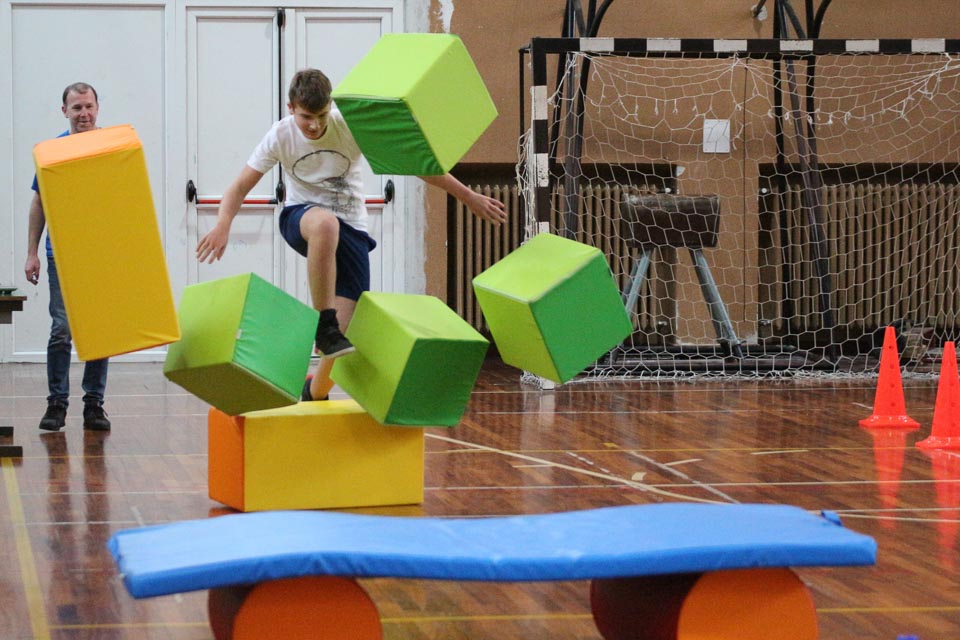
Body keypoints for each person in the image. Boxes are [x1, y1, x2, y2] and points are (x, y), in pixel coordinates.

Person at [197, 68, 507, 401]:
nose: (314, 125)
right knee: (325, 226)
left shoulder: (349, 127)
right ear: (291, 108)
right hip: (301, 218)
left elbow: (414, 164)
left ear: (330, 106)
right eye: (306, 117)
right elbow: (239, 187)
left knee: (343, 339)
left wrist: (468, 196)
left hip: (353, 230)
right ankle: (324, 323)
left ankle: (314, 393)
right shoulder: (280, 135)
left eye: (321, 115)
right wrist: (223, 224)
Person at [24, 82, 111, 432]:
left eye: (88, 106)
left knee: (100, 330)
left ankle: (94, 404)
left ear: (97, 107)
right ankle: (57, 403)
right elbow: (39, 202)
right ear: (65, 111)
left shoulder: (112, 149)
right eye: (76, 108)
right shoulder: (52, 152)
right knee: (62, 329)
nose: (83, 114)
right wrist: (32, 252)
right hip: (61, 253)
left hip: (101, 254)